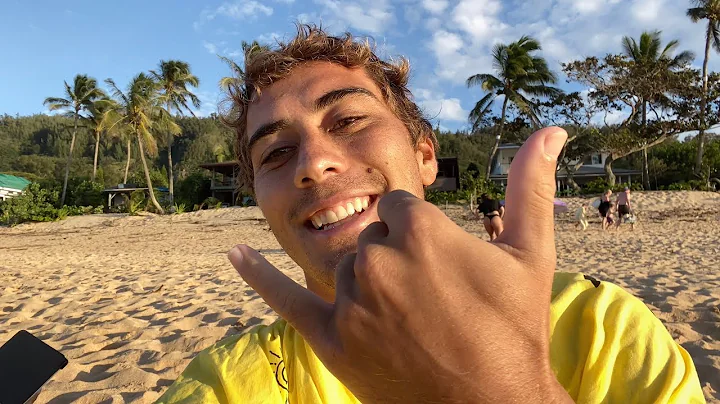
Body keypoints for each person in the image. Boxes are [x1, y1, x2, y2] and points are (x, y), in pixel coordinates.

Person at [157, 24, 703, 403]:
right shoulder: (227, 386)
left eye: (348, 121)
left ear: (424, 155)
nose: (314, 163)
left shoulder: (603, 329)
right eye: (275, 153)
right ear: (259, 200)